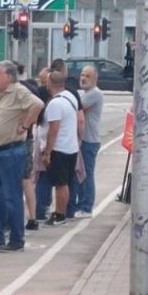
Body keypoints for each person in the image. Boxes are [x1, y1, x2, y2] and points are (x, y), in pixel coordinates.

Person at [0, 61, 43, 252]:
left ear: (9, 76)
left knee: (11, 195)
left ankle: (16, 239)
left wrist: (25, 125)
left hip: (10, 150)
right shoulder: (1, 92)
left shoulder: (17, 90)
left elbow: (38, 104)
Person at [40, 71, 79, 226]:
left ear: (50, 83)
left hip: (60, 148)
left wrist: (47, 152)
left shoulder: (55, 104)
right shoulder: (70, 97)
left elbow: (53, 129)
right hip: (71, 146)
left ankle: (60, 215)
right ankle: (61, 212)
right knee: (65, 183)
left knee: (60, 184)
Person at [69, 65, 103, 219]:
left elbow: (75, 107)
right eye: (82, 75)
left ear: (95, 79)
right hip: (82, 140)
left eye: (87, 76)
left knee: (86, 174)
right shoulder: (84, 93)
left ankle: (86, 206)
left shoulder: (94, 94)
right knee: (79, 173)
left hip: (89, 140)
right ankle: (79, 204)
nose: (83, 78)